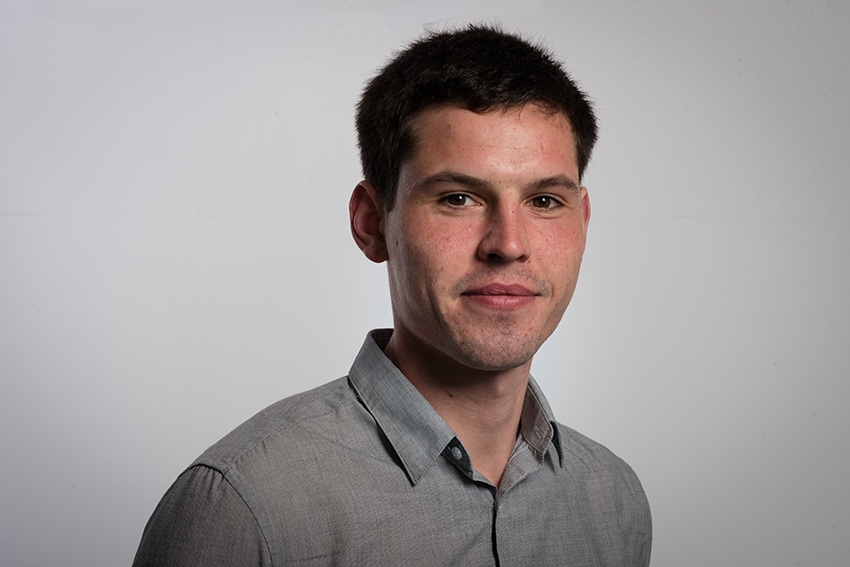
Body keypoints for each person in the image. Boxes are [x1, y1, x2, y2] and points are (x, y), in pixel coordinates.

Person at [133, 24, 652, 566]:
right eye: (458, 198)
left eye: (544, 201)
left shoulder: (614, 501)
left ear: (582, 222)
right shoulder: (246, 509)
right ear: (372, 223)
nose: (509, 244)